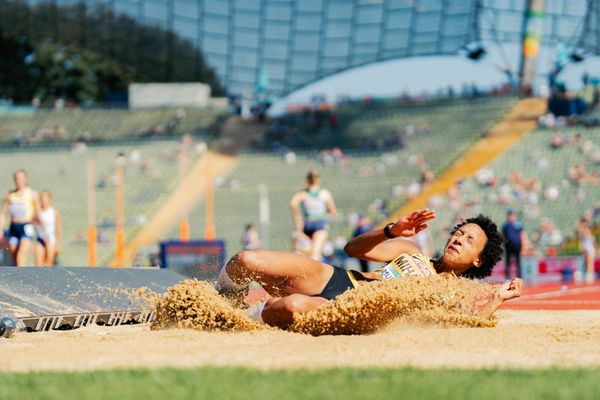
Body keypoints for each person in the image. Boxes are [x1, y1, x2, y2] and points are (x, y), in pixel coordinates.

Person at [217, 209, 522, 329]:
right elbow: (353, 250)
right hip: (338, 277)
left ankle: (235, 320)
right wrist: (390, 230)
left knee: (292, 306)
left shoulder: (455, 291)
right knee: (246, 260)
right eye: (459, 232)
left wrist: (496, 300)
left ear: (478, 261)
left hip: (349, 308)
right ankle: (221, 302)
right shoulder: (412, 251)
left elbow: (464, 324)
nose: (458, 238)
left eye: (469, 240)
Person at [290, 170, 337, 261]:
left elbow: (292, 204)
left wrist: (298, 220)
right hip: (319, 224)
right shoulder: (324, 193)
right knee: (315, 254)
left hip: (306, 223)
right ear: (318, 179)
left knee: (300, 252)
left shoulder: (303, 193)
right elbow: (333, 212)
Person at [0, 170, 43, 266]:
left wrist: (42, 231)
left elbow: (37, 214)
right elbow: (3, 214)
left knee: (21, 255)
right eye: (16, 178)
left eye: (21, 178)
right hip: (14, 227)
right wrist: (1, 229)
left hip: (27, 227)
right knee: (13, 252)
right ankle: (16, 276)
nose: (19, 181)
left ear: (26, 179)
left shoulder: (32, 194)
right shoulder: (10, 195)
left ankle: (21, 279)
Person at [35, 190, 62, 267]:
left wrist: (58, 244)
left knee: (48, 263)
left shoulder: (54, 212)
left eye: (45, 197)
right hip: (40, 239)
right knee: (38, 263)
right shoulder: (38, 212)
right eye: (41, 197)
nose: (43, 199)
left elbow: (58, 228)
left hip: (51, 239)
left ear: (50, 199)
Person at [502, 210, 524, 279]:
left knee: (518, 261)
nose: (511, 217)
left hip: (517, 245)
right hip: (508, 246)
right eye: (510, 216)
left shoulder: (519, 224)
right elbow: (503, 236)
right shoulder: (505, 225)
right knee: (508, 261)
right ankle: (507, 276)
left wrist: (524, 244)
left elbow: (522, 235)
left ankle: (519, 276)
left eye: (512, 216)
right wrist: (502, 244)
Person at [576, 213, 597, 284]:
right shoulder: (583, 230)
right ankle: (588, 277)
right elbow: (582, 240)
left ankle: (589, 277)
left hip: (589, 248)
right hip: (587, 248)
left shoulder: (586, 230)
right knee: (587, 263)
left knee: (589, 263)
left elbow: (593, 241)